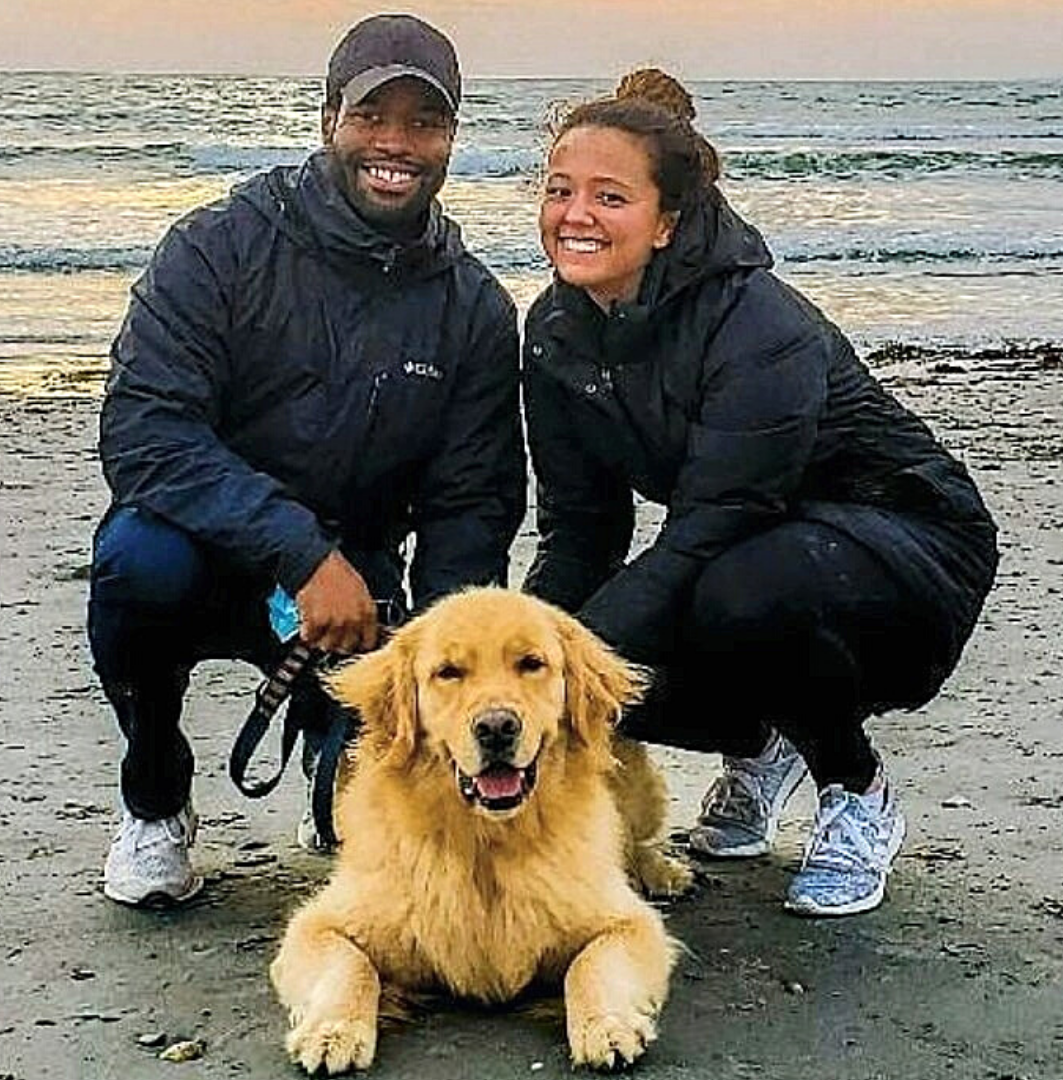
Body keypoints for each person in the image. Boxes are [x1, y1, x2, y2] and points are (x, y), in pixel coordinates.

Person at [522, 69, 997, 917]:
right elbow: (581, 528)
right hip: (753, 546)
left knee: (723, 599)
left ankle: (856, 788)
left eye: (609, 196)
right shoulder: (554, 330)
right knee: (592, 661)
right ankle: (766, 739)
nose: (576, 214)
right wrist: (515, 656)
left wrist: (562, 666)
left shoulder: (757, 322)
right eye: (560, 190)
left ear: (666, 221)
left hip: (908, 554)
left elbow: (710, 527)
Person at [89, 14, 526, 906]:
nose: (395, 144)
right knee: (135, 562)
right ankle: (156, 797)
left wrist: (439, 660)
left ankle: (338, 760)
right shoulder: (216, 247)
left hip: (361, 595)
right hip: (206, 552)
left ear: (451, 138)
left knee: (366, 823)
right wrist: (300, 552)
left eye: (423, 123)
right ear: (329, 119)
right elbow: (145, 431)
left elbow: (472, 508)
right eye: (371, 117)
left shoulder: (475, 308)